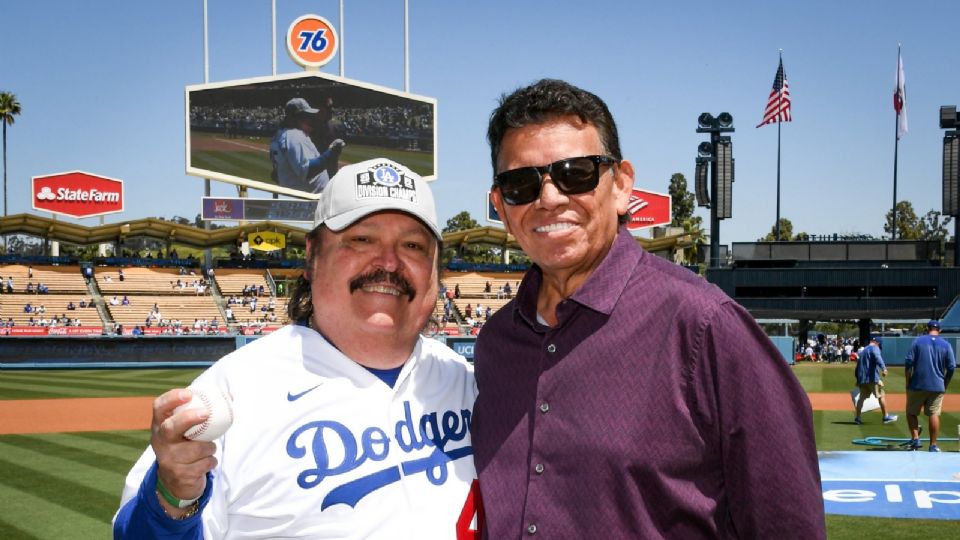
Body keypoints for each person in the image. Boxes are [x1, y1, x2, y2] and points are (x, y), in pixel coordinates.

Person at [472, 79, 825, 538]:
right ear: (501, 205)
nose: (550, 198)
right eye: (521, 183)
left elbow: (788, 526)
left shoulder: (707, 328)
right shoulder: (496, 343)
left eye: (575, 173)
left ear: (620, 186)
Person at [113, 158, 480, 538]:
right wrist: (173, 498)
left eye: (413, 245)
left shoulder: (467, 384)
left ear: (436, 270)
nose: (389, 262)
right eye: (362, 239)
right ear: (313, 256)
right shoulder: (236, 389)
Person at [269, 97, 346, 194]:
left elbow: (277, 172)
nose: (309, 119)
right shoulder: (294, 135)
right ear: (296, 117)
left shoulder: (279, 134)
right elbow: (306, 170)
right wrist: (331, 153)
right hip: (310, 199)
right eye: (306, 116)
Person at [904, 320, 956, 452]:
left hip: (917, 384)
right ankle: (933, 445)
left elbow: (909, 362)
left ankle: (916, 439)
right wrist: (945, 383)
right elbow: (951, 367)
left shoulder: (918, 341)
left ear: (927, 329)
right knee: (933, 414)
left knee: (911, 412)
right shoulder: (946, 344)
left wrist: (908, 380)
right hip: (937, 385)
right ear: (940, 330)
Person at [853, 336, 897, 424]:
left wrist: (858, 378)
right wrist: (884, 368)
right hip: (872, 378)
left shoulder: (863, 350)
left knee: (861, 399)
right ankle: (885, 417)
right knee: (881, 396)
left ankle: (858, 418)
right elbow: (878, 358)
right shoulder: (875, 348)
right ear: (878, 343)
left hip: (862, 379)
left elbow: (857, 367)